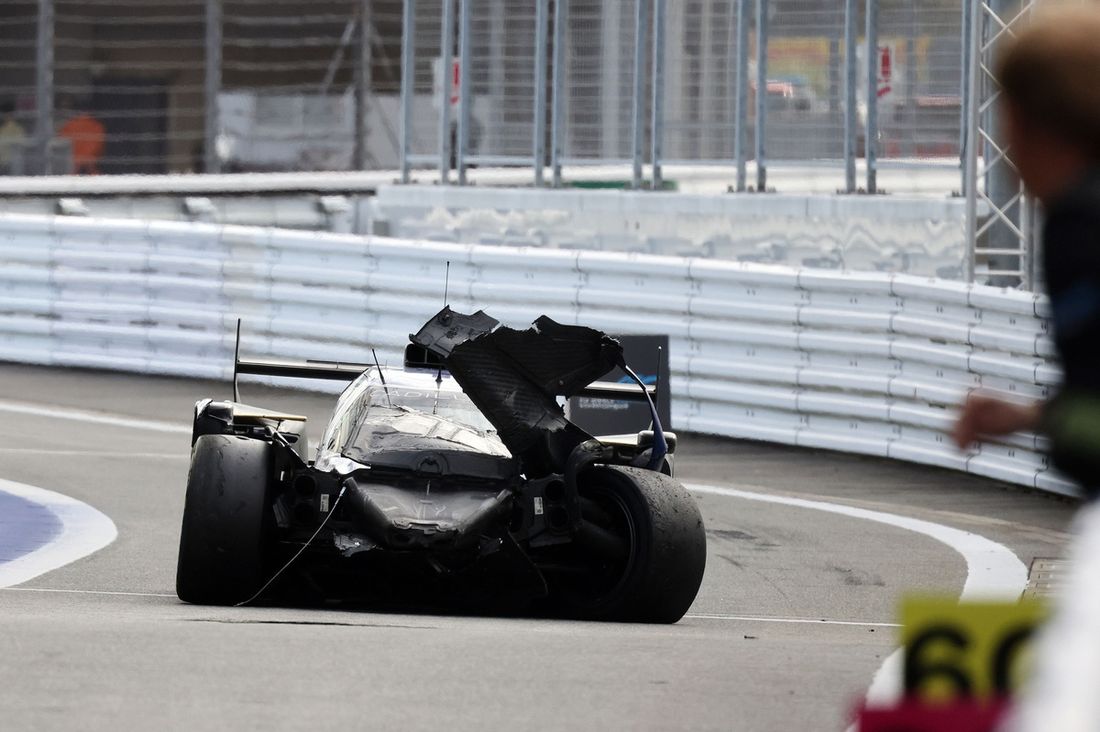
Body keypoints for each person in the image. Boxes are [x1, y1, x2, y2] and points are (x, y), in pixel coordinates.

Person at [949, 8, 1100, 731]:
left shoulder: (1082, 223)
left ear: (1036, 120)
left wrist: (1057, 427)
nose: (1004, 152)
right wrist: (1027, 415)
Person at [56, 98, 105, 175]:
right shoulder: (97, 127)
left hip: (73, 165)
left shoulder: (68, 126)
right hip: (90, 165)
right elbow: (99, 147)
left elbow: (61, 145)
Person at [0, 102, 26, 175]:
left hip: (12, 162)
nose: (8, 116)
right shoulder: (3, 128)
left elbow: (20, 145)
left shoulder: (17, 128)